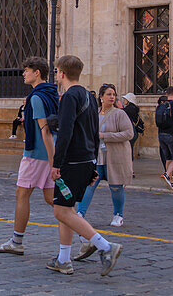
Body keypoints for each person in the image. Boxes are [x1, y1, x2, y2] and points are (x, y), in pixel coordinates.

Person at [47, 55, 123, 276]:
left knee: (61, 211)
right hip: (86, 159)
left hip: (72, 161)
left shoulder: (70, 97)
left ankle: (105, 247)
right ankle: (63, 259)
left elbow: (65, 132)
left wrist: (56, 163)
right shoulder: (88, 96)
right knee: (67, 210)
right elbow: (94, 132)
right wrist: (92, 165)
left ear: (61, 73)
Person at [0, 56, 57, 256]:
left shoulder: (36, 97)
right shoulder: (52, 93)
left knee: (22, 194)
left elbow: (44, 130)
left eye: (26, 70)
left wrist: (54, 161)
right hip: (49, 153)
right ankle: (85, 235)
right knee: (52, 198)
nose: (23, 74)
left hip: (37, 154)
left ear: (37, 73)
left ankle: (16, 241)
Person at [74, 84, 133, 240]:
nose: (112, 97)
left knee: (116, 185)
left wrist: (105, 136)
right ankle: (81, 212)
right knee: (90, 184)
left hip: (115, 156)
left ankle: (118, 214)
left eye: (113, 94)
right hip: (98, 156)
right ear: (101, 97)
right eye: (108, 94)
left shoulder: (120, 114)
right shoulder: (95, 113)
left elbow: (128, 133)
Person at [120, 92, 143, 163]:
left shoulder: (130, 108)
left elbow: (121, 113)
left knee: (128, 150)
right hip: (133, 132)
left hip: (132, 132)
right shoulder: (133, 108)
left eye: (125, 99)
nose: (123, 101)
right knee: (129, 149)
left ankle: (129, 168)